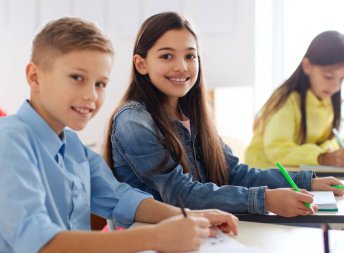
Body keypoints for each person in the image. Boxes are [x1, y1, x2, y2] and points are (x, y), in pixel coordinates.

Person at [0, 17, 239, 253]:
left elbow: (121, 198)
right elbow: (38, 242)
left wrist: (190, 217)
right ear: (34, 76)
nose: (91, 96)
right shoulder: (10, 141)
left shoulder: (72, 146)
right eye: (77, 78)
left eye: (100, 84)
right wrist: (155, 237)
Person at [104, 12, 344, 219]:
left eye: (190, 56)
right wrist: (266, 200)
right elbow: (180, 194)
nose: (182, 67)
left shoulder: (193, 114)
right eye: (167, 56)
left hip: (198, 231)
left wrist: (307, 182)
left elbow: (233, 173)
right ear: (141, 64)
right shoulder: (133, 121)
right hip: (150, 240)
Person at [244, 31, 344, 169]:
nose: (335, 86)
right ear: (307, 66)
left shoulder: (327, 100)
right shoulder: (286, 100)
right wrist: (322, 157)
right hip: (264, 174)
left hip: (299, 172)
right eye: (328, 76)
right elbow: (277, 150)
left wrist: (332, 154)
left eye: (342, 79)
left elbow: (327, 141)